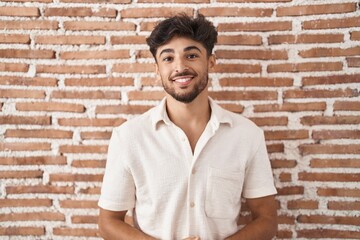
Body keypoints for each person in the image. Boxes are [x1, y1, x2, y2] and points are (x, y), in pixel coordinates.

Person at [98, 14, 278, 240]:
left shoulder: (247, 135)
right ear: (157, 69)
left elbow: (267, 220)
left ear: (210, 61)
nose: (180, 67)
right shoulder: (129, 137)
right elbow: (108, 223)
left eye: (191, 55)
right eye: (168, 58)